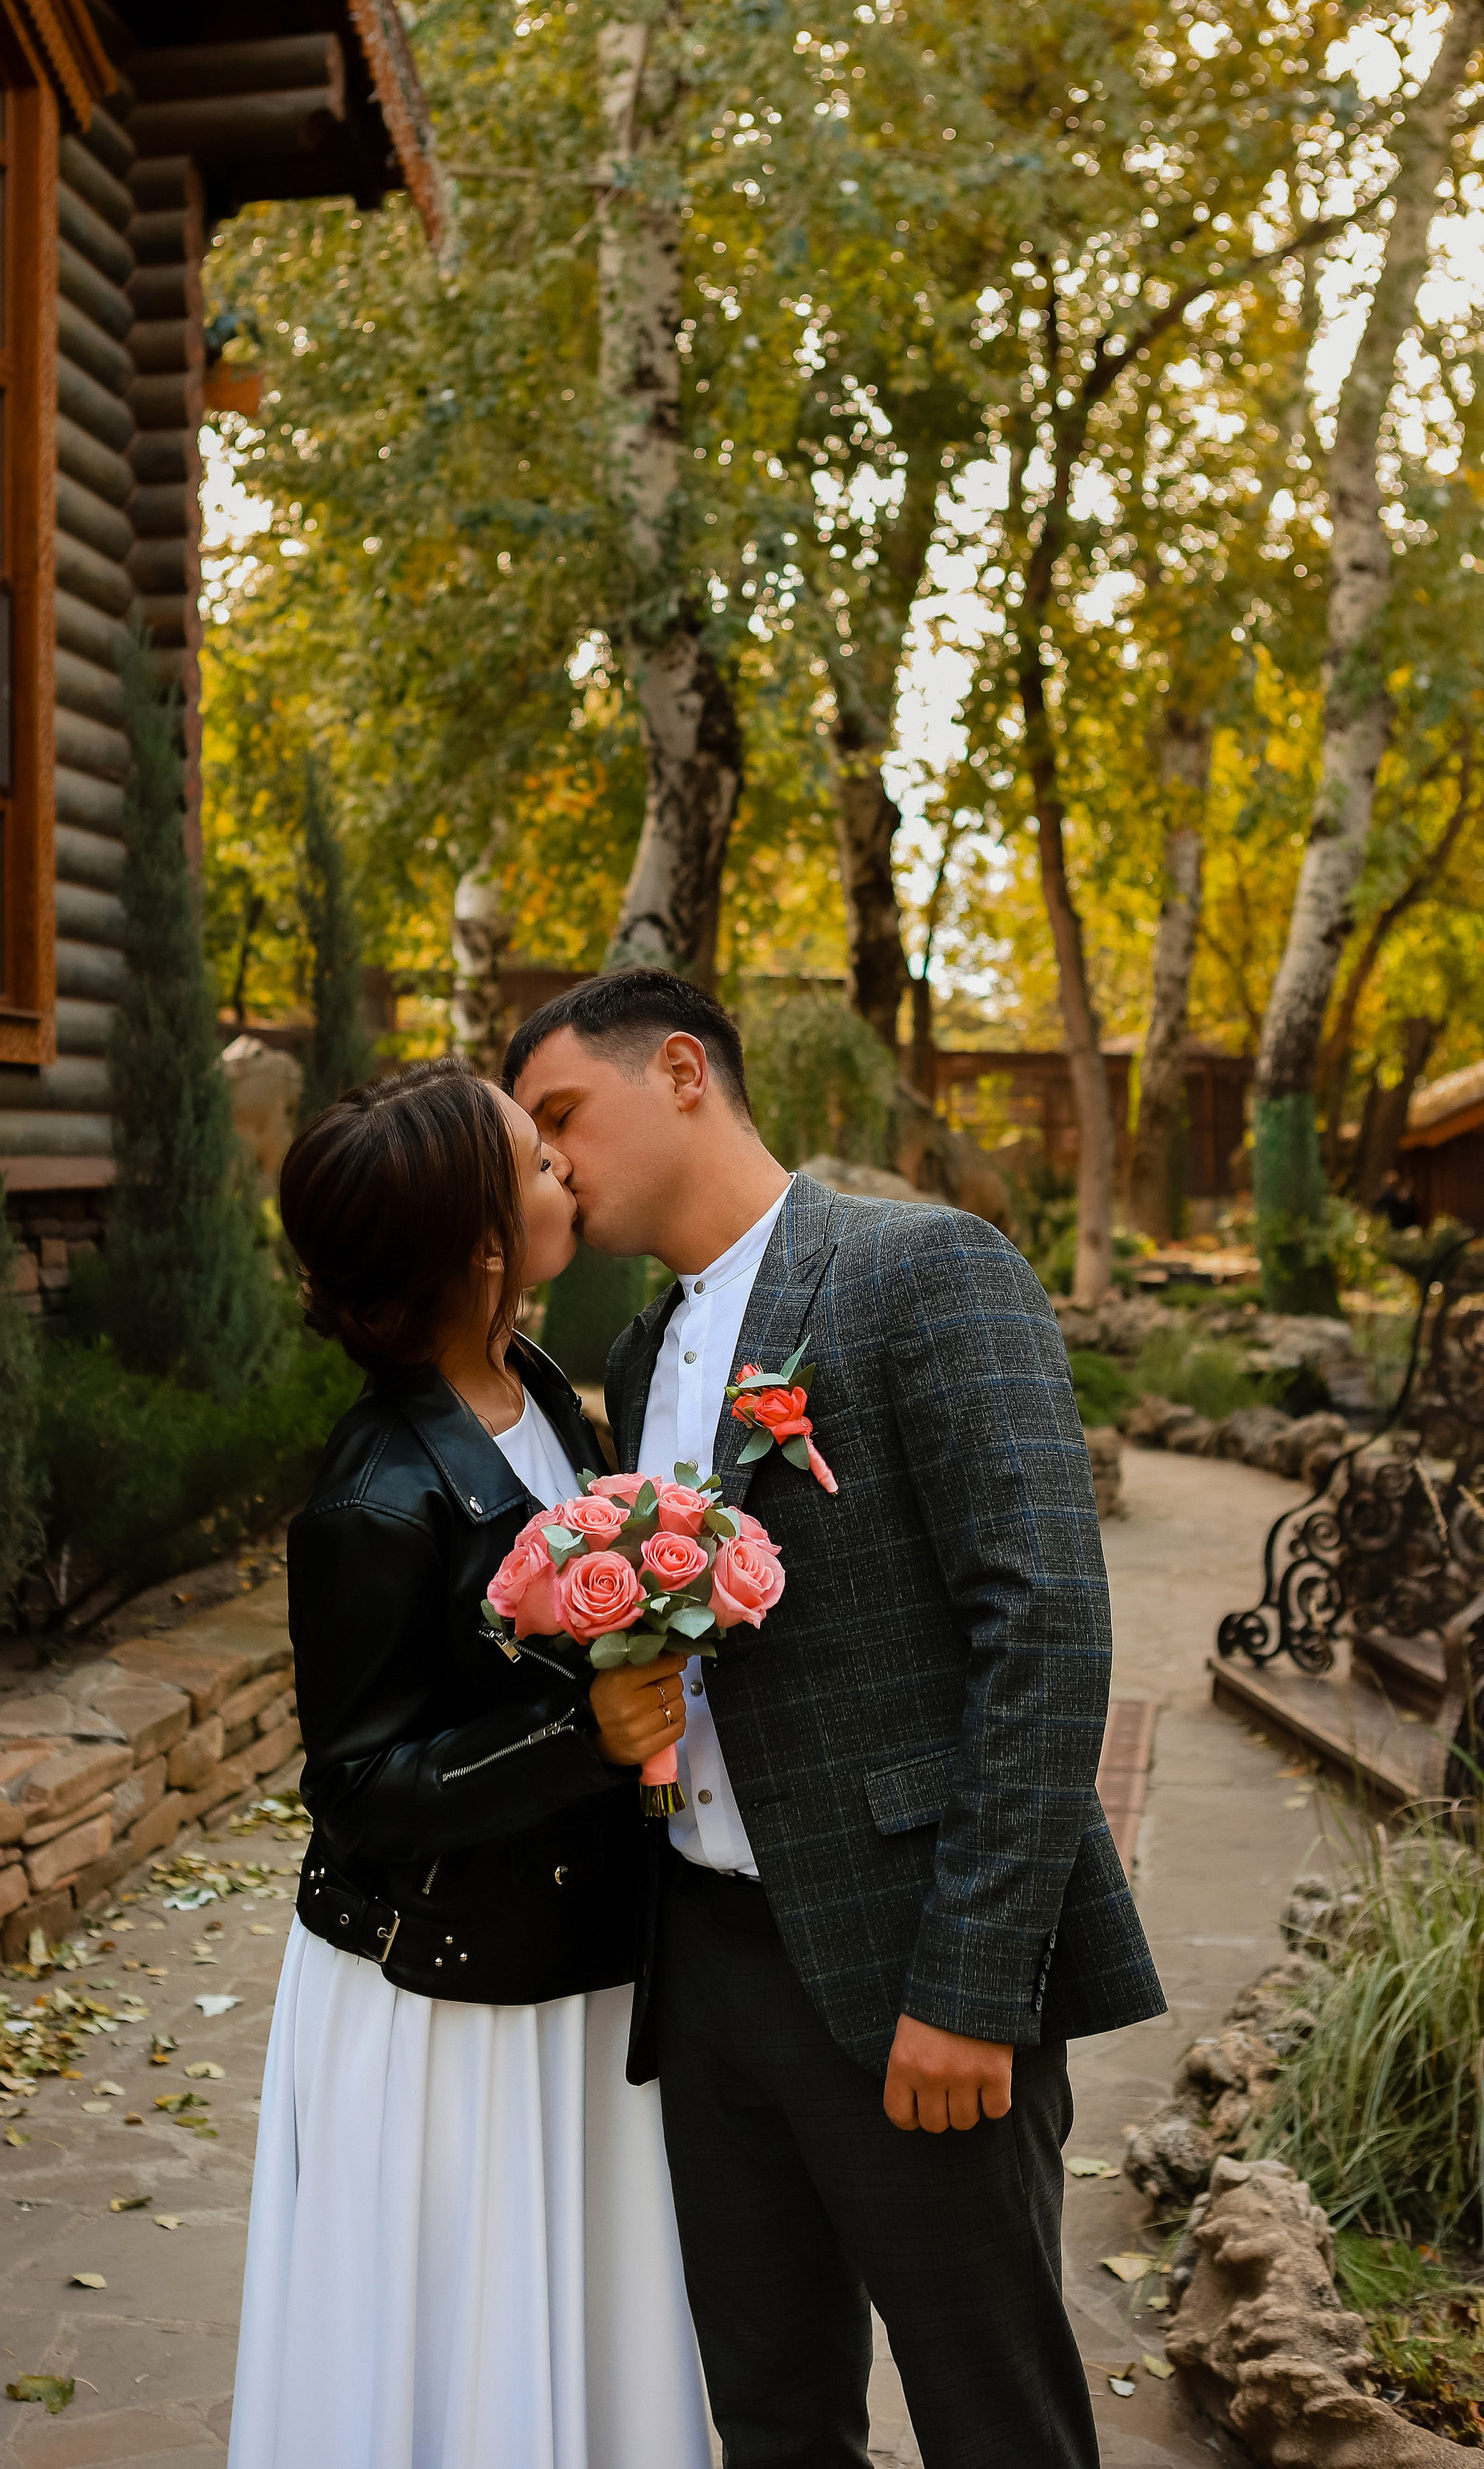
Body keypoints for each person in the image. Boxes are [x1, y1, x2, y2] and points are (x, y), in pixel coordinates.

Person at [507, 970, 1168, 2469]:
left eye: (561, 1118)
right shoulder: (634, 1351)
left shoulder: (922, 1266)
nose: (552, 1166)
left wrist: (972, 1980)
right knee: (770, 2416)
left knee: (990, 2416)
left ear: (680, 1069)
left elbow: (1045, 1627)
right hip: (711, 1966)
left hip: (907, 1962)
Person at [225, 1056, 711, 2469]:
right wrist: (583, 1732)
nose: (566, 1165)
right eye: (535, 1156)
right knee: (459, 2359)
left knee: (589, 2343)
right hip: (447, 2007)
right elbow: (359, 1796)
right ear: (483, 1241)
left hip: (567, 1965)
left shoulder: (538, 1390)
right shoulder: (372, 1498)